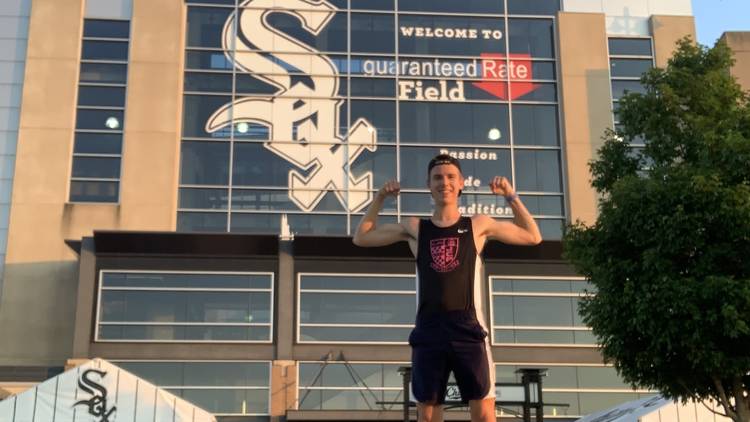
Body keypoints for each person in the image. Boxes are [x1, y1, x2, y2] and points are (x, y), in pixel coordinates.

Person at [352, 154, 542, 422]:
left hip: (468, 328)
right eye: (438, 177)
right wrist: (380, 198)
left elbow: (533, 236)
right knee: (428, 415)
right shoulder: (416, 227)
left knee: (485, 414)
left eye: (451, 177)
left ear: (461, 183)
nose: (445, 182)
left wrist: (510, 196)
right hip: (429, 330)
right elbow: (362, 237)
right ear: (429, 185)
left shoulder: (478, 225)